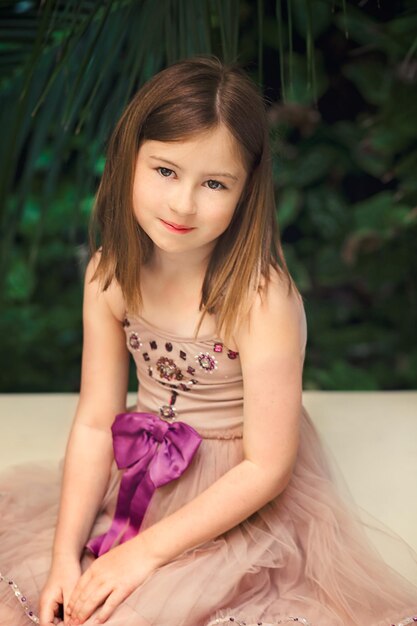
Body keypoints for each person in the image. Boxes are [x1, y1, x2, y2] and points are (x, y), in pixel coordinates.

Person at [0, 56, 416, 626]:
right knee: (44, 600)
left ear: (246, 192)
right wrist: (62, 556)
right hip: (141, 471)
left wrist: (141, 554)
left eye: (214, 183)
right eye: (166, 170)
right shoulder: (110, 274)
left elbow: (267, 467)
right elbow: (98, 421)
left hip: (237, 487)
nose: (183, 204)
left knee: (140, 612)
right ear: (127, 161)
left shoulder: (259, 298)